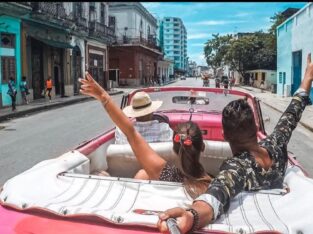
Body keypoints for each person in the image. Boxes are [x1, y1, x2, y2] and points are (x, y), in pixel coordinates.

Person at [157, 53, 313, 233]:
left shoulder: (236, 167)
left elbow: (216, 194)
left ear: (224, 135)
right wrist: (308, 76)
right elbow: (292, 112)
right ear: (255, 127)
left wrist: (192, 216)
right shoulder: (277, 143)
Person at [79, 72, 212, 198]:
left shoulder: (167, 175)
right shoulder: (220, 185)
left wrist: (104, 97)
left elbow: (131, 133)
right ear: (202, 147)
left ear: (175, 149)